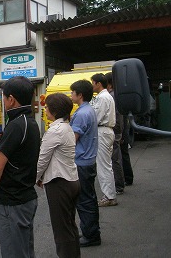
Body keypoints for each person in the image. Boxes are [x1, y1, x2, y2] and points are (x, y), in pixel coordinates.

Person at [0, 76, 40, 258]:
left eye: (4, 97)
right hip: (25, 196)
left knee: (13, 252)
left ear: (11, 99)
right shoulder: (30, 122)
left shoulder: (16, 125)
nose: (3, 101)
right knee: (25, 250)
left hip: (13, 202)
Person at [36, 93, 80, 258]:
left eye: (47, 107)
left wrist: (36, 178)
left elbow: (42, 159)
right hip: (71, 179)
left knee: (61, 231)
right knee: (69, 226)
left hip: (59, 183)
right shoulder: (67, 127)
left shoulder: (55, 130)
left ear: (53, 110)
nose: (45, 109)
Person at [69, 79, 101, 247]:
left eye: (73, 92)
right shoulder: (88, 110)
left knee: (84, 200)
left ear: (80, 95)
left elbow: (72, 140)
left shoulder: (81, 114)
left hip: (82, 162)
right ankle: (91, 231)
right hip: (88, 160)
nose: (71, 95)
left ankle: (91, 235)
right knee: (89, 198)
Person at [90, 73, 117, 207]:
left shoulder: (102, 98)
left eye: (93, 83)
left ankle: (109, 196)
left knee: (103, 166)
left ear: (98, 84)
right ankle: (110, 194)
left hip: (103, 130)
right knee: (106, 165)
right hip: (106, 131)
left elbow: (96, 117)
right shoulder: (106, 96)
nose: (92, 85)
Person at [105, 72, 125, 195]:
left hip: (114, 130)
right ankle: (120, 183)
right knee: (117, 158)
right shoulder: (117, 95)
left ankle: (118, 185)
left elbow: (115, 117)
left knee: (114, 159)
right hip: (118, 129)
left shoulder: (111, 96)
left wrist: (117, 132)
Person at [121, 117, 134, 186]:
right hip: (124, 134)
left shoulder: (120, 109)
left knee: (123, 157)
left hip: (123, 135)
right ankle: (128, 177)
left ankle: (127, 178)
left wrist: (122, 136)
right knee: (124, 156)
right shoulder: (124, 110)